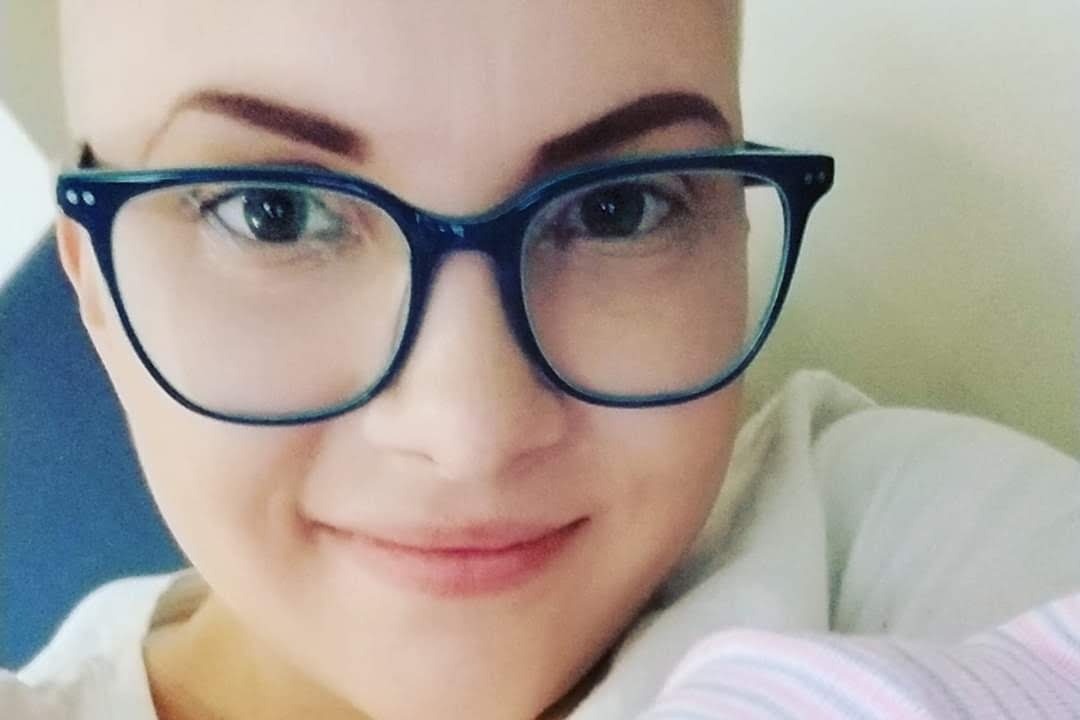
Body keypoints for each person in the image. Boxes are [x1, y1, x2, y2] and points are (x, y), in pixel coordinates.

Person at [2, 2, 1078, 719]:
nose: (472, 432)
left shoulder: (907, 550)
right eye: (275, 213)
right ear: (95, 288)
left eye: (619, 209)